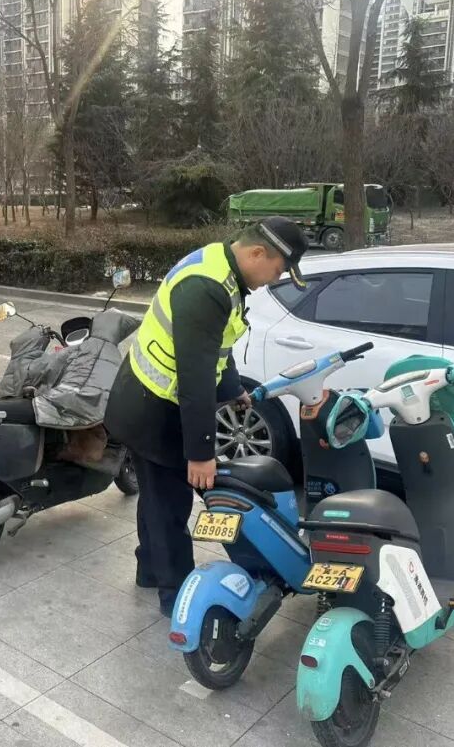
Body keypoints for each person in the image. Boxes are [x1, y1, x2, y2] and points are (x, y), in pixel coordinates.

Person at [105, 218, 309, 617]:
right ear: (257, 253)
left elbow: (218, 346)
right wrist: (200, 454)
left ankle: (150, 571)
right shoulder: (207, 289)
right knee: (169, 504)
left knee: (157, 498)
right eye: (278, 269)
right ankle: (176, 595)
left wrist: (232, 389)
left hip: (148, 398)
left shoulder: (222, 266)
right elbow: (195, 381)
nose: (275, 279)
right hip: (153, 408)